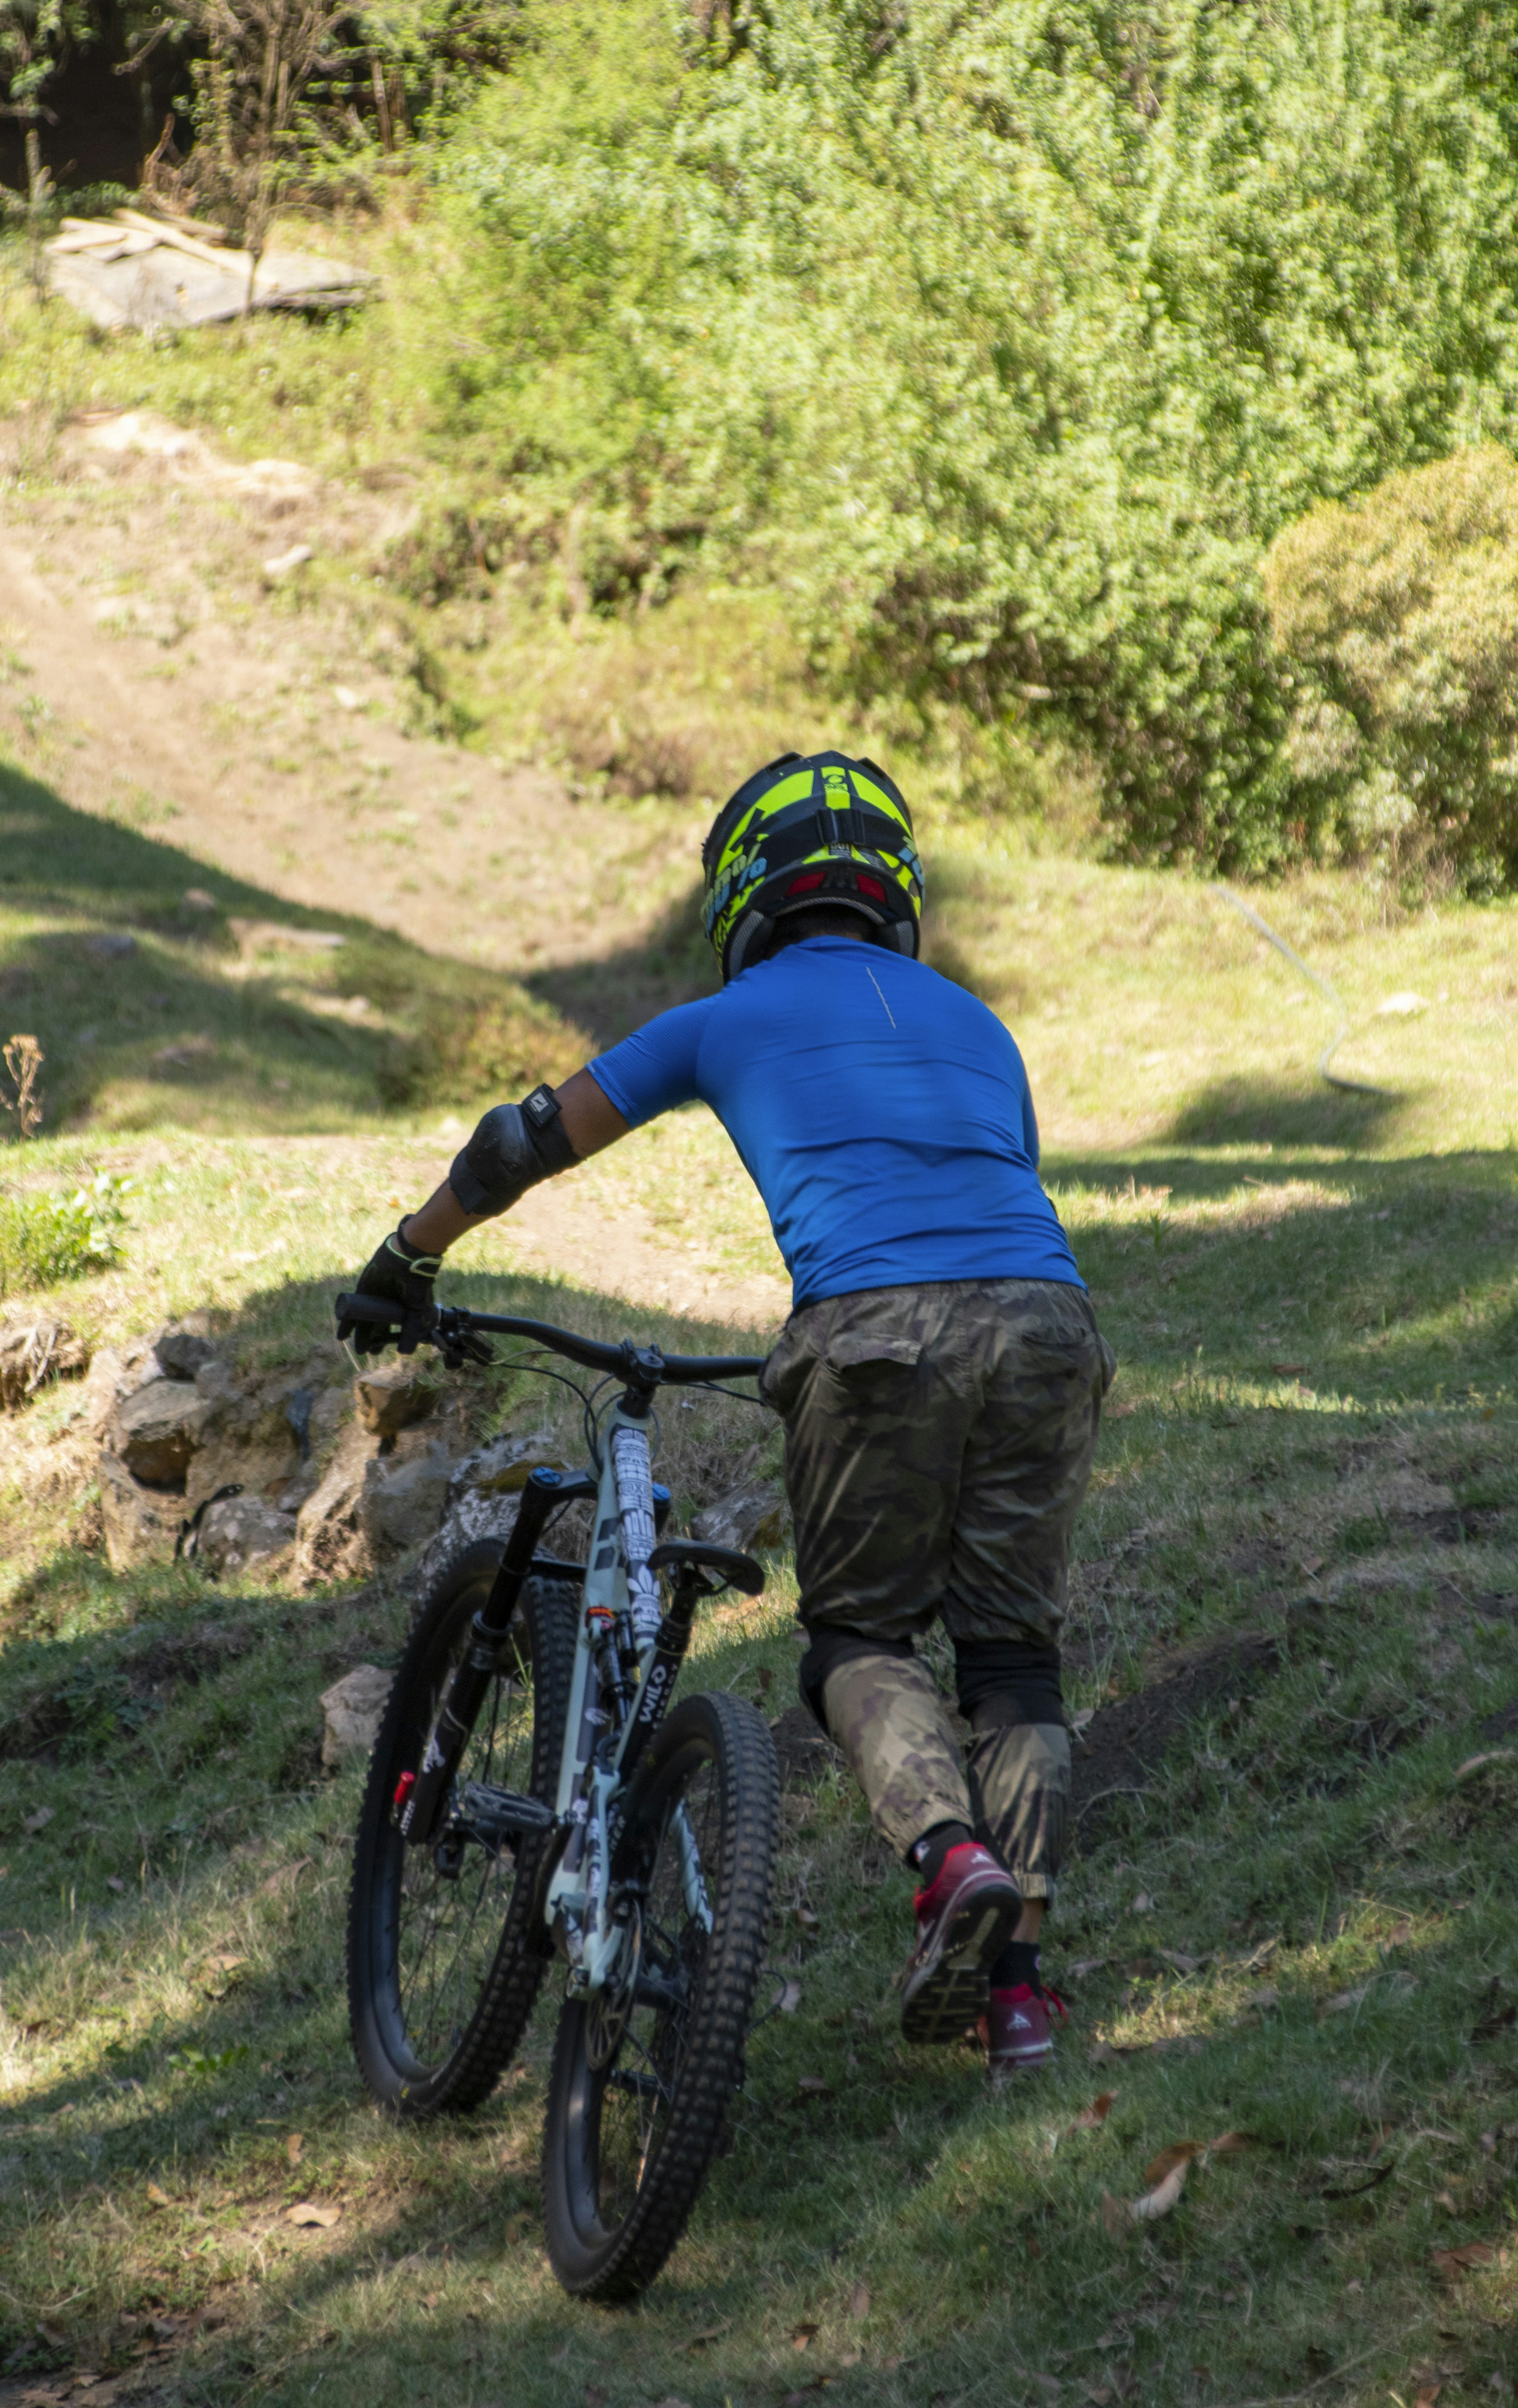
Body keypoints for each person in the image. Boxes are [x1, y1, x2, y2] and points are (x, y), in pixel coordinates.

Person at [345, 751, 1114, 2088]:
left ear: (748, 894)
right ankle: (1023, 2001)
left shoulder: (730, 1017)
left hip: (874, 1330)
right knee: (1012, 1669)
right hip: (1051, 1324)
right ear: (894, 889)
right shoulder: (978, 1024)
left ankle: (948, 1859)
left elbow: (524, 1141)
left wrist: (410, 1256)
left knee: (859, 1641)